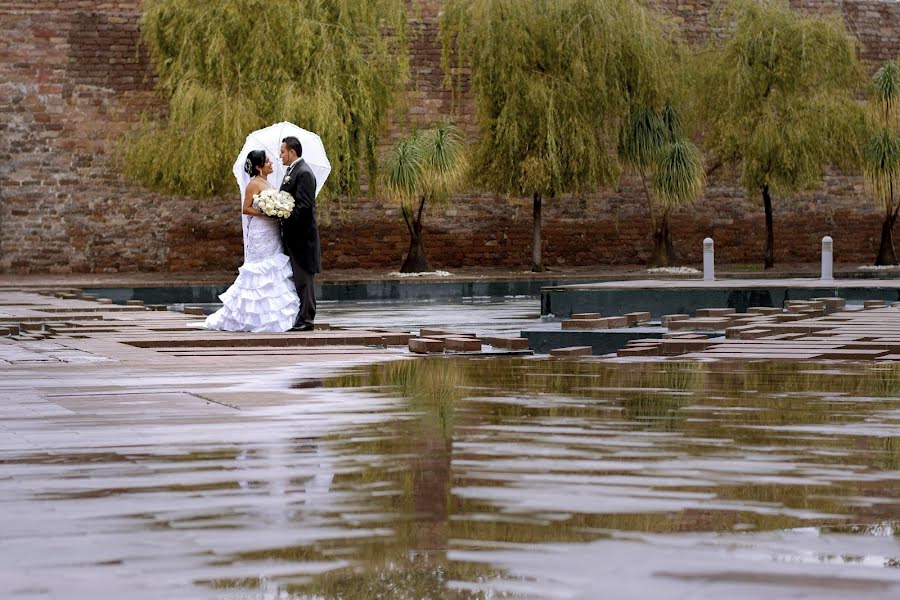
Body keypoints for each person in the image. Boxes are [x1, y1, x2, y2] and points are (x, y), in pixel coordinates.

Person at [204, 150, 300, 332]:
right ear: (258, 166)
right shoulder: (253, 184)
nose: (272, 163)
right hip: (260, 231)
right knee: (259, 269)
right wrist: (265, 213)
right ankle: (250, 316)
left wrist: (279, 210)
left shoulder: (267, 182)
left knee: (273, 269)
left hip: (272, 230)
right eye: (268, 161)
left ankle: (274, 316)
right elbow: (246, 209)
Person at [279, 136, 321, 331]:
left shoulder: (303, 173)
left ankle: (307, 318)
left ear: (292, 152)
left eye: (283, 152)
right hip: (292, 236)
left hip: (302, 237)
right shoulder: (292, 171)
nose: (281, 156)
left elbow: (304, 207)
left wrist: (282, 214)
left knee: (304, 277)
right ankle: (300, 315)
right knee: (297, 277)